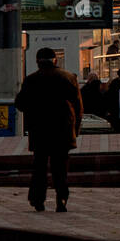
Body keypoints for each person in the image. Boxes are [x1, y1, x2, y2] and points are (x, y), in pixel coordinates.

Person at [15, 48, 83, 212]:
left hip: (40, 130)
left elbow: (20, 104)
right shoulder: (69, 77)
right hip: (63, 130)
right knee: (60, 167)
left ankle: (38, 200)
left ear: (38, 62)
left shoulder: (31, 80)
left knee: (39, 166)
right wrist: (76, 129)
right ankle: (62, 199)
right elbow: (79, 107)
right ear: (56, 61)